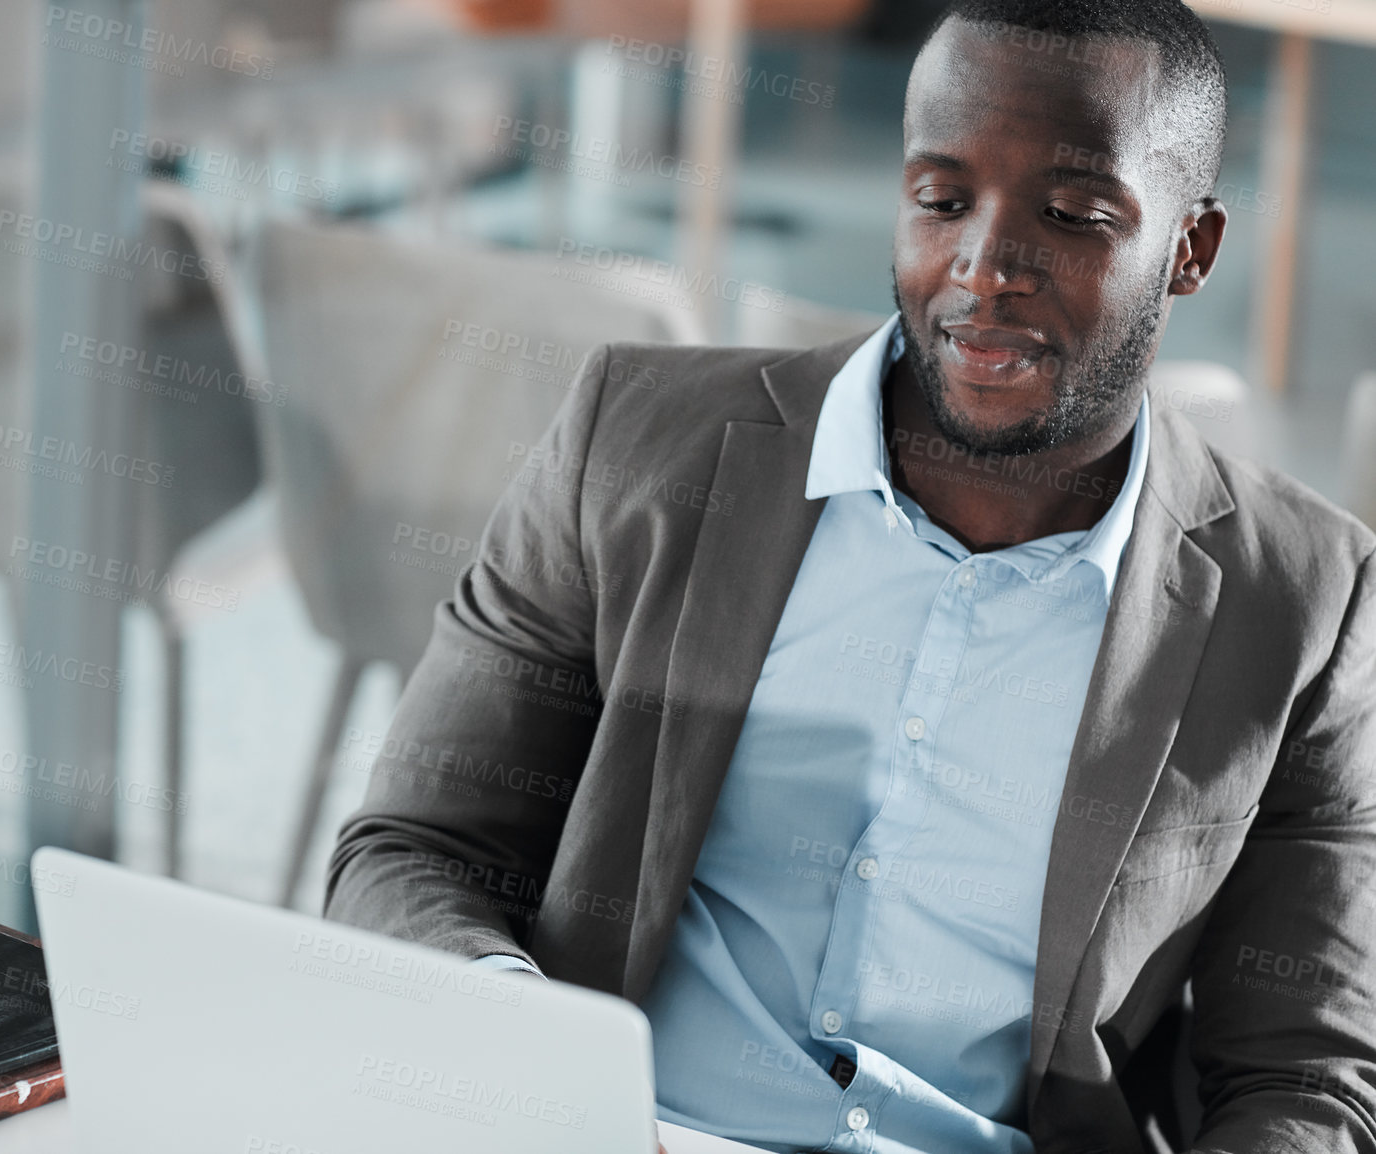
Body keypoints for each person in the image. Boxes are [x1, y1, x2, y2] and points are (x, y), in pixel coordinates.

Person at [325, 1, 1376, 1149]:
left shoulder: (1306, 599)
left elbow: (1304, 1073)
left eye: (1071, 214)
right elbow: (413, 851)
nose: (984, 264)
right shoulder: (632, 442)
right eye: (940, 198)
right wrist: (533, 1059)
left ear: (1189, 249)